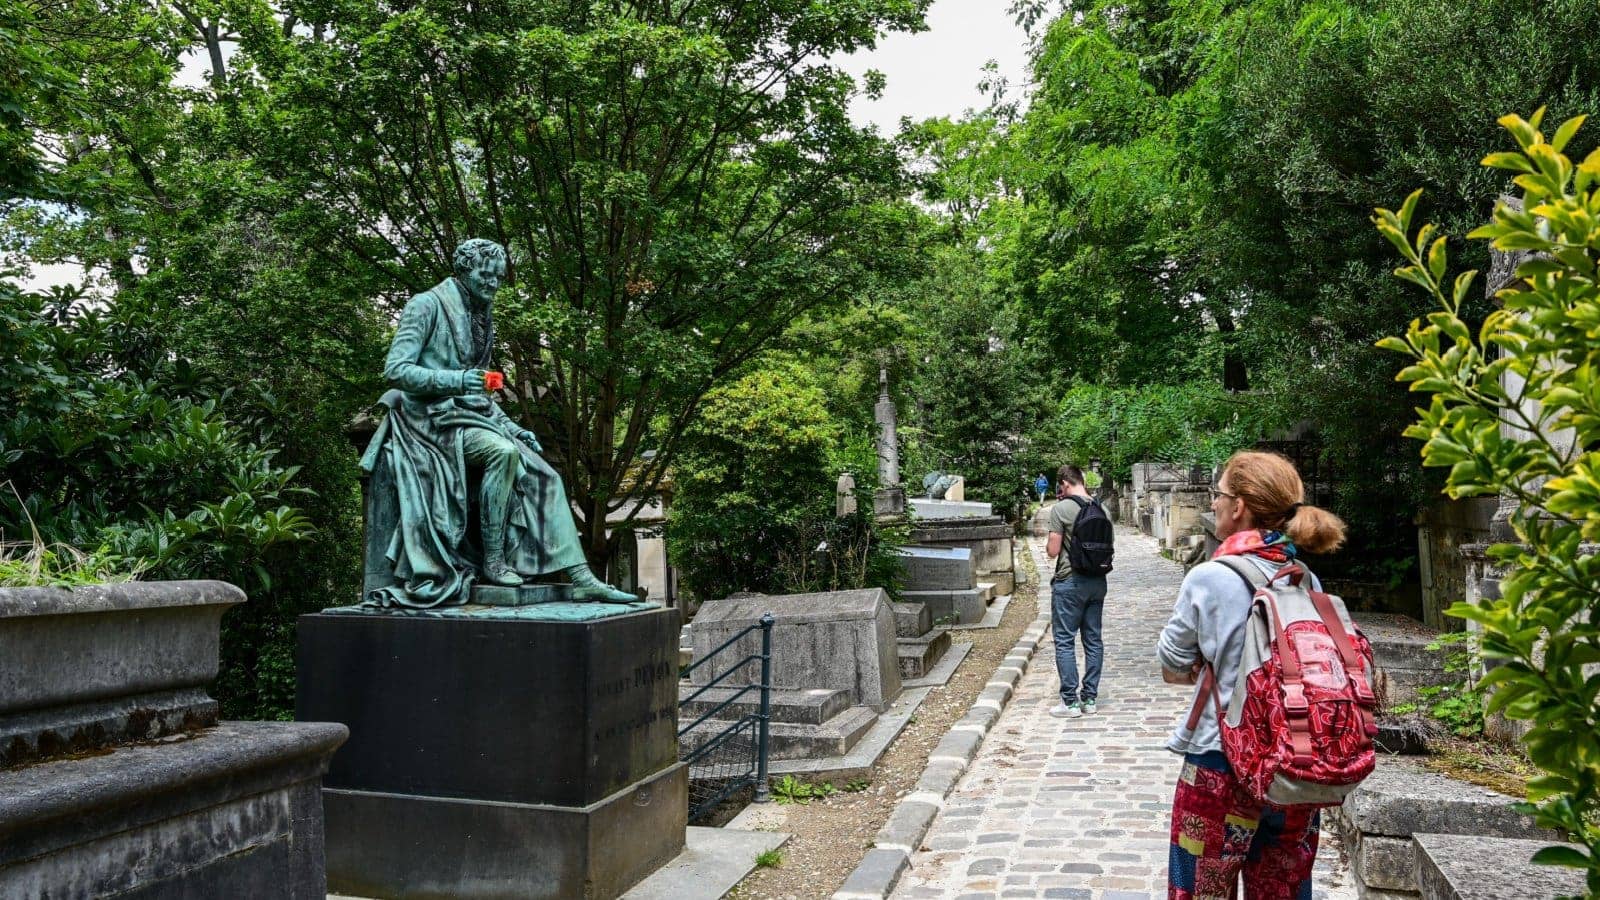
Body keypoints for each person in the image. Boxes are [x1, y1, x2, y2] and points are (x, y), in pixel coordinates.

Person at [362, 238, 637, 607]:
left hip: (471, 417)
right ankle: (494, 560)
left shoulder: (482, 314)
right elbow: (396, 370)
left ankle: (582, 578)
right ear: (464, 270)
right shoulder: (426, 305)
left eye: (498, 277)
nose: (493, 283)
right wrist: (457, 380)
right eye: (485, 274)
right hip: (430, 422)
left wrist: (514, 427)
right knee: (503, 453)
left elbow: (481, 395)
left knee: (547, 475)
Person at [1156, 450, 1347, 899]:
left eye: (1219, 493)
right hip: (1293, 769)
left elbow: (1172, 663)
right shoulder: (1304, 578)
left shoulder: (1209, 577)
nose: (1215, 502)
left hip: (1219, 765)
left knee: (1200, 892)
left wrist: (1210, 663)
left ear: (1239, 506)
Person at [1046, 464, 1109, 718]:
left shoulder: (1061, 509)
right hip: (1097, 582)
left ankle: (1070, 703)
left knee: (1064, 640)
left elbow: (1053, 550)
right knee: (1093, 640)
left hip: (1070, 581)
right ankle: (1090, 698)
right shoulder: (1102, 509)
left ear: (1064, 484)